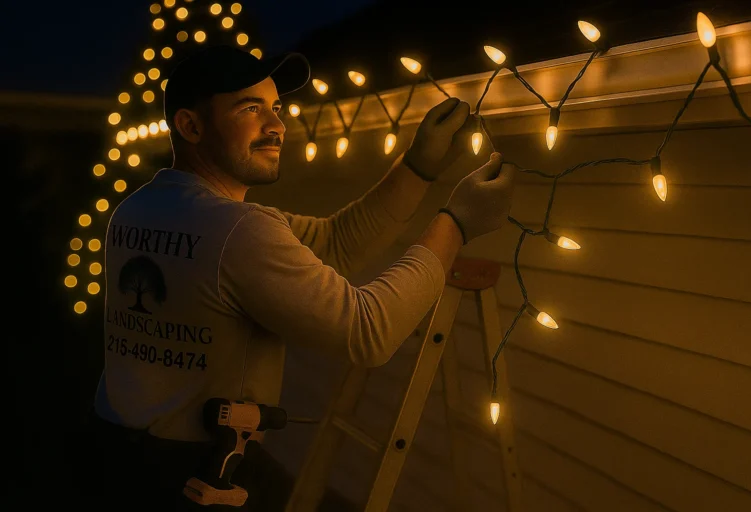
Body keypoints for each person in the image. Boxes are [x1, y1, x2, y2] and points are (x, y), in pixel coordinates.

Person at [86, 45, 515, 510]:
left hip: (117, 457)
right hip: (198, 477)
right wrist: (456, 222)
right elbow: (369, 331)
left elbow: (335, 243)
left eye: (276, 108)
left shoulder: (138, 209)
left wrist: (418, 168)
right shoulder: (237, 231)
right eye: (250, 109)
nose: (276, 126)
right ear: (190, 126)